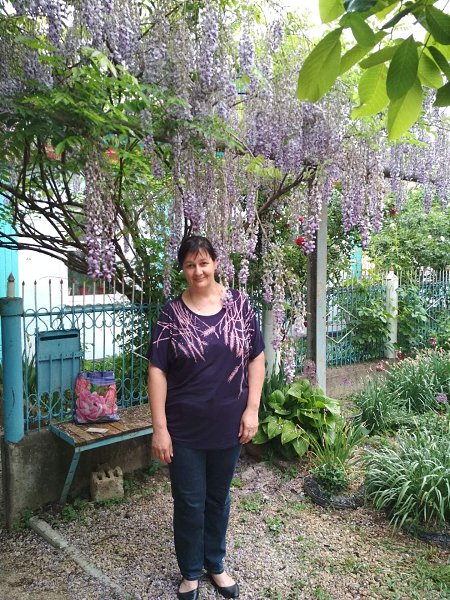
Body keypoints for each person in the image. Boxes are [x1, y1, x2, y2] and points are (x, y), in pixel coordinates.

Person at [147, 235, 265, 600]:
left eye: (203, 263)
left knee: (219, 499)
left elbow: (256, 358)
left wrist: (252, 409)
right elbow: (157, 371)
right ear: (182, 269)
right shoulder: (171, 315)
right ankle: (190, 572)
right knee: (189, 501)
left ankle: (215, 563)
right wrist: (160, 429)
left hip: (229, 424)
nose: (197, 271)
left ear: (215, 263)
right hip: (184, 428)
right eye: (189, 265)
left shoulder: (240, 305)